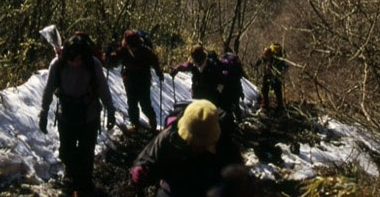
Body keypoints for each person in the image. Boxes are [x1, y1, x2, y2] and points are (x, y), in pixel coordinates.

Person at [39, 33, 116, 196]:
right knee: (66, 151)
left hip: (89, 115)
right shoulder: (57, 64)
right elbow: (48, 89)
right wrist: (43, 112)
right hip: (66, 115)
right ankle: (72, 176)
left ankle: (84, 186)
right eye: (72, 60)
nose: (75, 63)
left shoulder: (92, 64)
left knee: (86, 153)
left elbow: (103, 88)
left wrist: (111, 111)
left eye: (79, 60)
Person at [129, 99, 241, 197]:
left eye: (202, 144)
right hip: (175, 186)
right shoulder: (171, 136)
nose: (196, 146)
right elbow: (148, 159)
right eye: (192, 141)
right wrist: (141, 171)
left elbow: (237, 175)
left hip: (209, 186)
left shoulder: (224, 143)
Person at [106, 29, 164, 130]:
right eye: (130, 47)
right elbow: (113, 61)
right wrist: (109, 54)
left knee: (145, 103)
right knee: (132, 103)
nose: (133, 49)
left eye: (134, 46)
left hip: (143, 80)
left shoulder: (146, 51)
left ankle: (152, 120)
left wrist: (159, 72)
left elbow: (154, 60)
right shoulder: (124, 50)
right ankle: (134, 123)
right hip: (129, 80)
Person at [259, 43, 288, 111]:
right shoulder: (277, 55)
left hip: (269, 74)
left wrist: (258, 63)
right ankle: (280, 105)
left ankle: (265, 105)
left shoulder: (268, 52)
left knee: (265, 89)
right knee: (277, 90)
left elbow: (262, 59)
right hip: (276, 75)